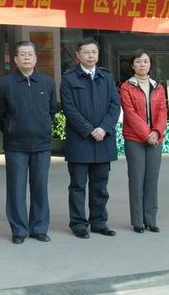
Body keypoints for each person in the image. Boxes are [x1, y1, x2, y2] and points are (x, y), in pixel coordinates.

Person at [0, 41, 56, 244]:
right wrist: (11, 129)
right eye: (22, 54)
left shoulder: (47, 82)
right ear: (15, 59)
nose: (27, 57)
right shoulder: (5, 84)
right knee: (16, 189)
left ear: (36, 58)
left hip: (42, 145)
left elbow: (51, 110)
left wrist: (43, 127)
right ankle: (19, 230)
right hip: (16, 146)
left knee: (40, 188)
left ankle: (39, 228)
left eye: (30, 54)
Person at [60, 38, 121, 239]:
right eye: (86, 52)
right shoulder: (69, 79)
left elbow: (115, 105)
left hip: (103, 140)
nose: (91, 56)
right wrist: (88, 129)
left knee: (100, 186)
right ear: (78, 55)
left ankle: (99, 222)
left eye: (94, 52)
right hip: (80, 141)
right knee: (78, 186)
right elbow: (69, 108)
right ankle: (78, 224)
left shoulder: (106, 77)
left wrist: (104, 128)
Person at [119, 50, 167, 234]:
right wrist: (147, 134)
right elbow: (130, 114)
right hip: (134, 139)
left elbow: (162, 111)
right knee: (137, 179)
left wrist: (156, 132)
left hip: (155, 139)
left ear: (150, 64)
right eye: (138, 61)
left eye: (145, 61)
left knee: (152, 180)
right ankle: (138, 221)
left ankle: (151, 220)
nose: (142, 64)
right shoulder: (126, 86)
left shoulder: (158, 87)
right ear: (132, 65)